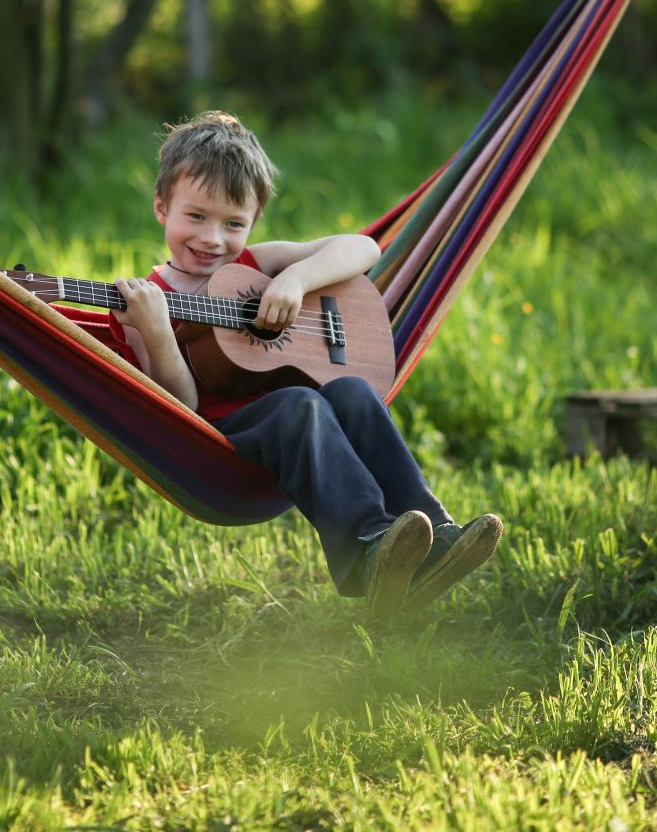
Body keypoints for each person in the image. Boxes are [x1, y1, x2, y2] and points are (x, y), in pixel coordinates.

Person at [108, 111, 503, 617]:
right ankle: (367, 550)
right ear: (162, 206)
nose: (212, 239)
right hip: (222, 436)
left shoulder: (255, 264)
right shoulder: (145, 301)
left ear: (252, 224)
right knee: (301, 404)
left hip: (294, 402)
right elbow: (181, 406)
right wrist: (158, 332)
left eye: (234, 224)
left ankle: (434, 532)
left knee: (351, 390)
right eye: (196, 217)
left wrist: (294, 280)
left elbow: (364, 247)